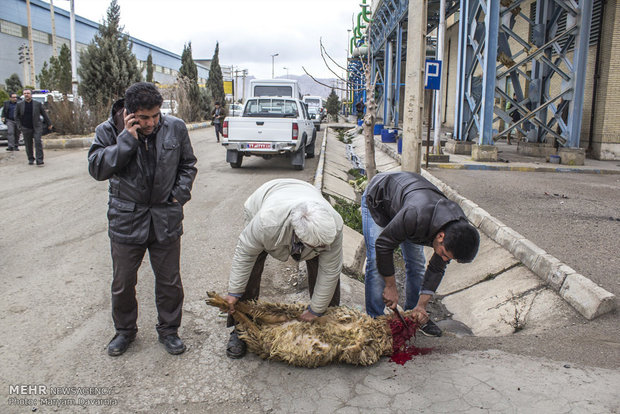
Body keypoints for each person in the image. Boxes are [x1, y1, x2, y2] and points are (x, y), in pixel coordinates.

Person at [88, 82, 197, 356]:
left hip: (165, 217)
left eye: (156, 116)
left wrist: (178, 195)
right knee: (123, 282)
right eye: (144, 117)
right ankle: (125, 332)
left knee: (170, 281)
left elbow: (188, 165)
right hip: (126, 220)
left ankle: (169, 331)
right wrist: (126, 140)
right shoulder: (108, 131)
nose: (151, 122)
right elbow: (98, 168)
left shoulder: (175, 127)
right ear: (129, 113)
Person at [224, 178, 344, 359]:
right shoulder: (266, 224)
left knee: (325, 268)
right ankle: (241, 330)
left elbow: (330, 270)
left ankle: (328, 323)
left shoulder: (334, 225)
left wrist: (316, 310)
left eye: (324, 245)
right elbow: (245, 255)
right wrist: (234, 293)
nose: (323, 249)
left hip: (303, 195)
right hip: (265, 201)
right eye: (317, 246)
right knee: (251, 269)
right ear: (299, 235)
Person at [361, 171, 480, 337]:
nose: (445, 260)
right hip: (379, 200)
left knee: (416, 262)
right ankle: (374, 322)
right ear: (440, 236)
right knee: (375, 261)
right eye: (445, 254)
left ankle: (413, 314)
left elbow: (437, 268)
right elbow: (384, 245)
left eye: (449, 258)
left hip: (410, 211)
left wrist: (422, 305)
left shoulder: (457, 229)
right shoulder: (414, 215)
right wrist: (390, 286)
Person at [16, 89, 52, 165]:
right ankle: (30, 158)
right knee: (28, 144)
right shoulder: (19, 105)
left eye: (28, 93)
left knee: (38, 142)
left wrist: (49, 123)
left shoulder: (37, 104)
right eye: (25, 93)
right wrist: (19, 126)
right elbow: (16, 117)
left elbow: (44, 114)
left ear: (31, 94)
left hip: (37, 126)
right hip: (25, 127)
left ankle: (39, 159)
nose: (26, 95)